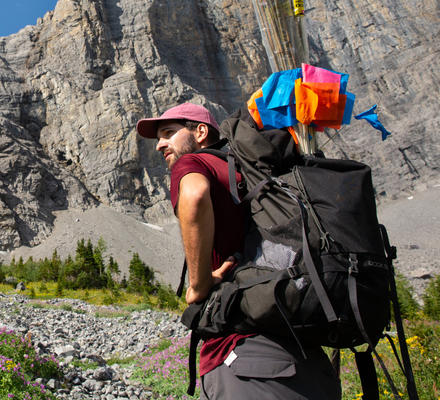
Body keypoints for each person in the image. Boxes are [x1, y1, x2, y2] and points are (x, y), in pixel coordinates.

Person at [136, 103, 341, 399]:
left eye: (168, 133)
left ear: (201, 132)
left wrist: (199, 284)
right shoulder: (248, 172)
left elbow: (194, 196)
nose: (159, 145)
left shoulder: (194, 162)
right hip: (306, 354)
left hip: (246, 358)